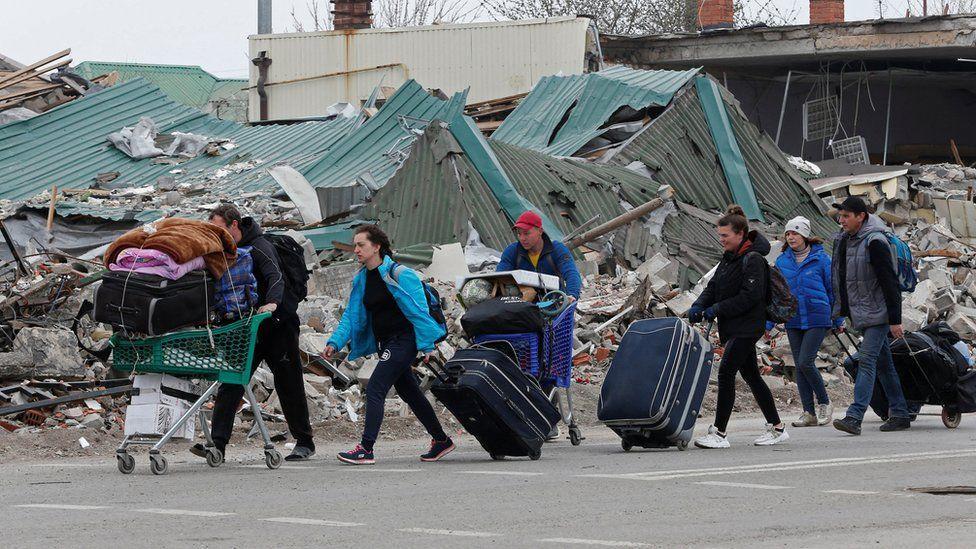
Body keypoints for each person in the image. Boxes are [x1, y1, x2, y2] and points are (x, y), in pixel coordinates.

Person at [191, 204, 315, 462]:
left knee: (288, 381)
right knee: (232, 380)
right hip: (245, 327)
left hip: (277, 323)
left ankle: (304, 441)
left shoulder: (259, 246)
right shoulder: (225, 252)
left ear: (233, 225)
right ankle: (218, 446)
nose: (216, 235)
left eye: (219, 229)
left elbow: (276, 277)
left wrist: (271, 305)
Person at [323, 225, 455, 465]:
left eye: (361, 245)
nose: (356, 250)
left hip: (404, 341)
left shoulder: (399, 274)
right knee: (410, 392)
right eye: (355, 245)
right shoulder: (362, 279)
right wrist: (335, 342)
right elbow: (352, 316)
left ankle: (366, 448)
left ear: (376, 247)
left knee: (375, 388)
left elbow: (420, 313)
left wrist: (426, 346)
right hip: (386, 343)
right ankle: (442, 440)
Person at [689, 205, 789, 449]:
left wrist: (717, 309)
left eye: (725, 236)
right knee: (752, 376)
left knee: (725, 373)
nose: (721, 240)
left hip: (748, 326)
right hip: (733, 326)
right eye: (720, 235)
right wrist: (698, 305)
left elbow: (750, 297)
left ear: (740, 233)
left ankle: (720, 433)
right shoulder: (729, 258)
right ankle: (777, 428)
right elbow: (713, 287)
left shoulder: (753, 259)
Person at [830, 196, 911, 435]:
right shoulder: (846, 240)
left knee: (867, 361)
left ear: (861, 216)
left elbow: (890, 283)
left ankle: (854, 416)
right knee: (884, 365)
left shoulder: (875, 242)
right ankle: (900, 412)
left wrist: (895, 319)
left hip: (879, 313)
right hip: (861, 313)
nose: (841, 221)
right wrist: (840, 311)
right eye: (840, 216)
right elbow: (842, 279)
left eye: (846, 216)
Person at [767, 216, 839, 428]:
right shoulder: (782, 262)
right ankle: (809, 412)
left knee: (806, 361)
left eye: (795, 233)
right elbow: (777, 296)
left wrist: (839, 317)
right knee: (799, 366)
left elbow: (832, 290)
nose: (791, 237)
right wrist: (769, 325)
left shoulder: (822, 259)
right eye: (788, 233)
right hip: (794, 318)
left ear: (805, 235)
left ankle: (825, 403)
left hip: (818, 315)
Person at [497, 211, 582, 300]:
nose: (522, 238)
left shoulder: (557, 249)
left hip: (555, 304)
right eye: (519, 233)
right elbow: (500, 277)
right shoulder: (512, 251)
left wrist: (571, 295)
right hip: (525, 306)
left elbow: (571, 273)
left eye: (526, 233)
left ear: (540, 231)